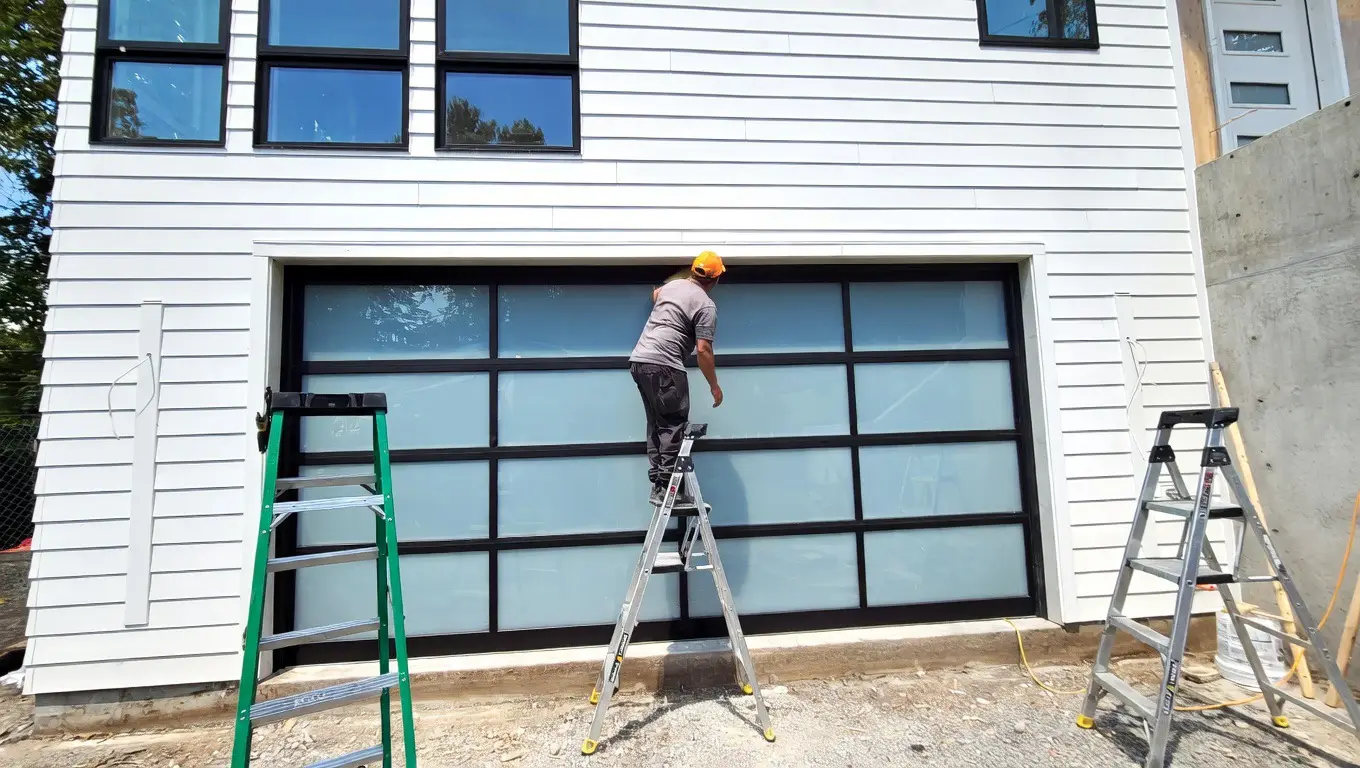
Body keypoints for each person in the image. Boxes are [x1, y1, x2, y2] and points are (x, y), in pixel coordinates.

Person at [628, 251, 725, 505]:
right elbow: (703, 350)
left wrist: (680, 281)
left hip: (640, 361)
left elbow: (655, 295)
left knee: (657, 423)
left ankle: (658, 483)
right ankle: (666, 486)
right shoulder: (706, 306)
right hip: (665, 365)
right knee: (672, 423)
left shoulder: (671, 288)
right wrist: (714, 386)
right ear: (715, 280)